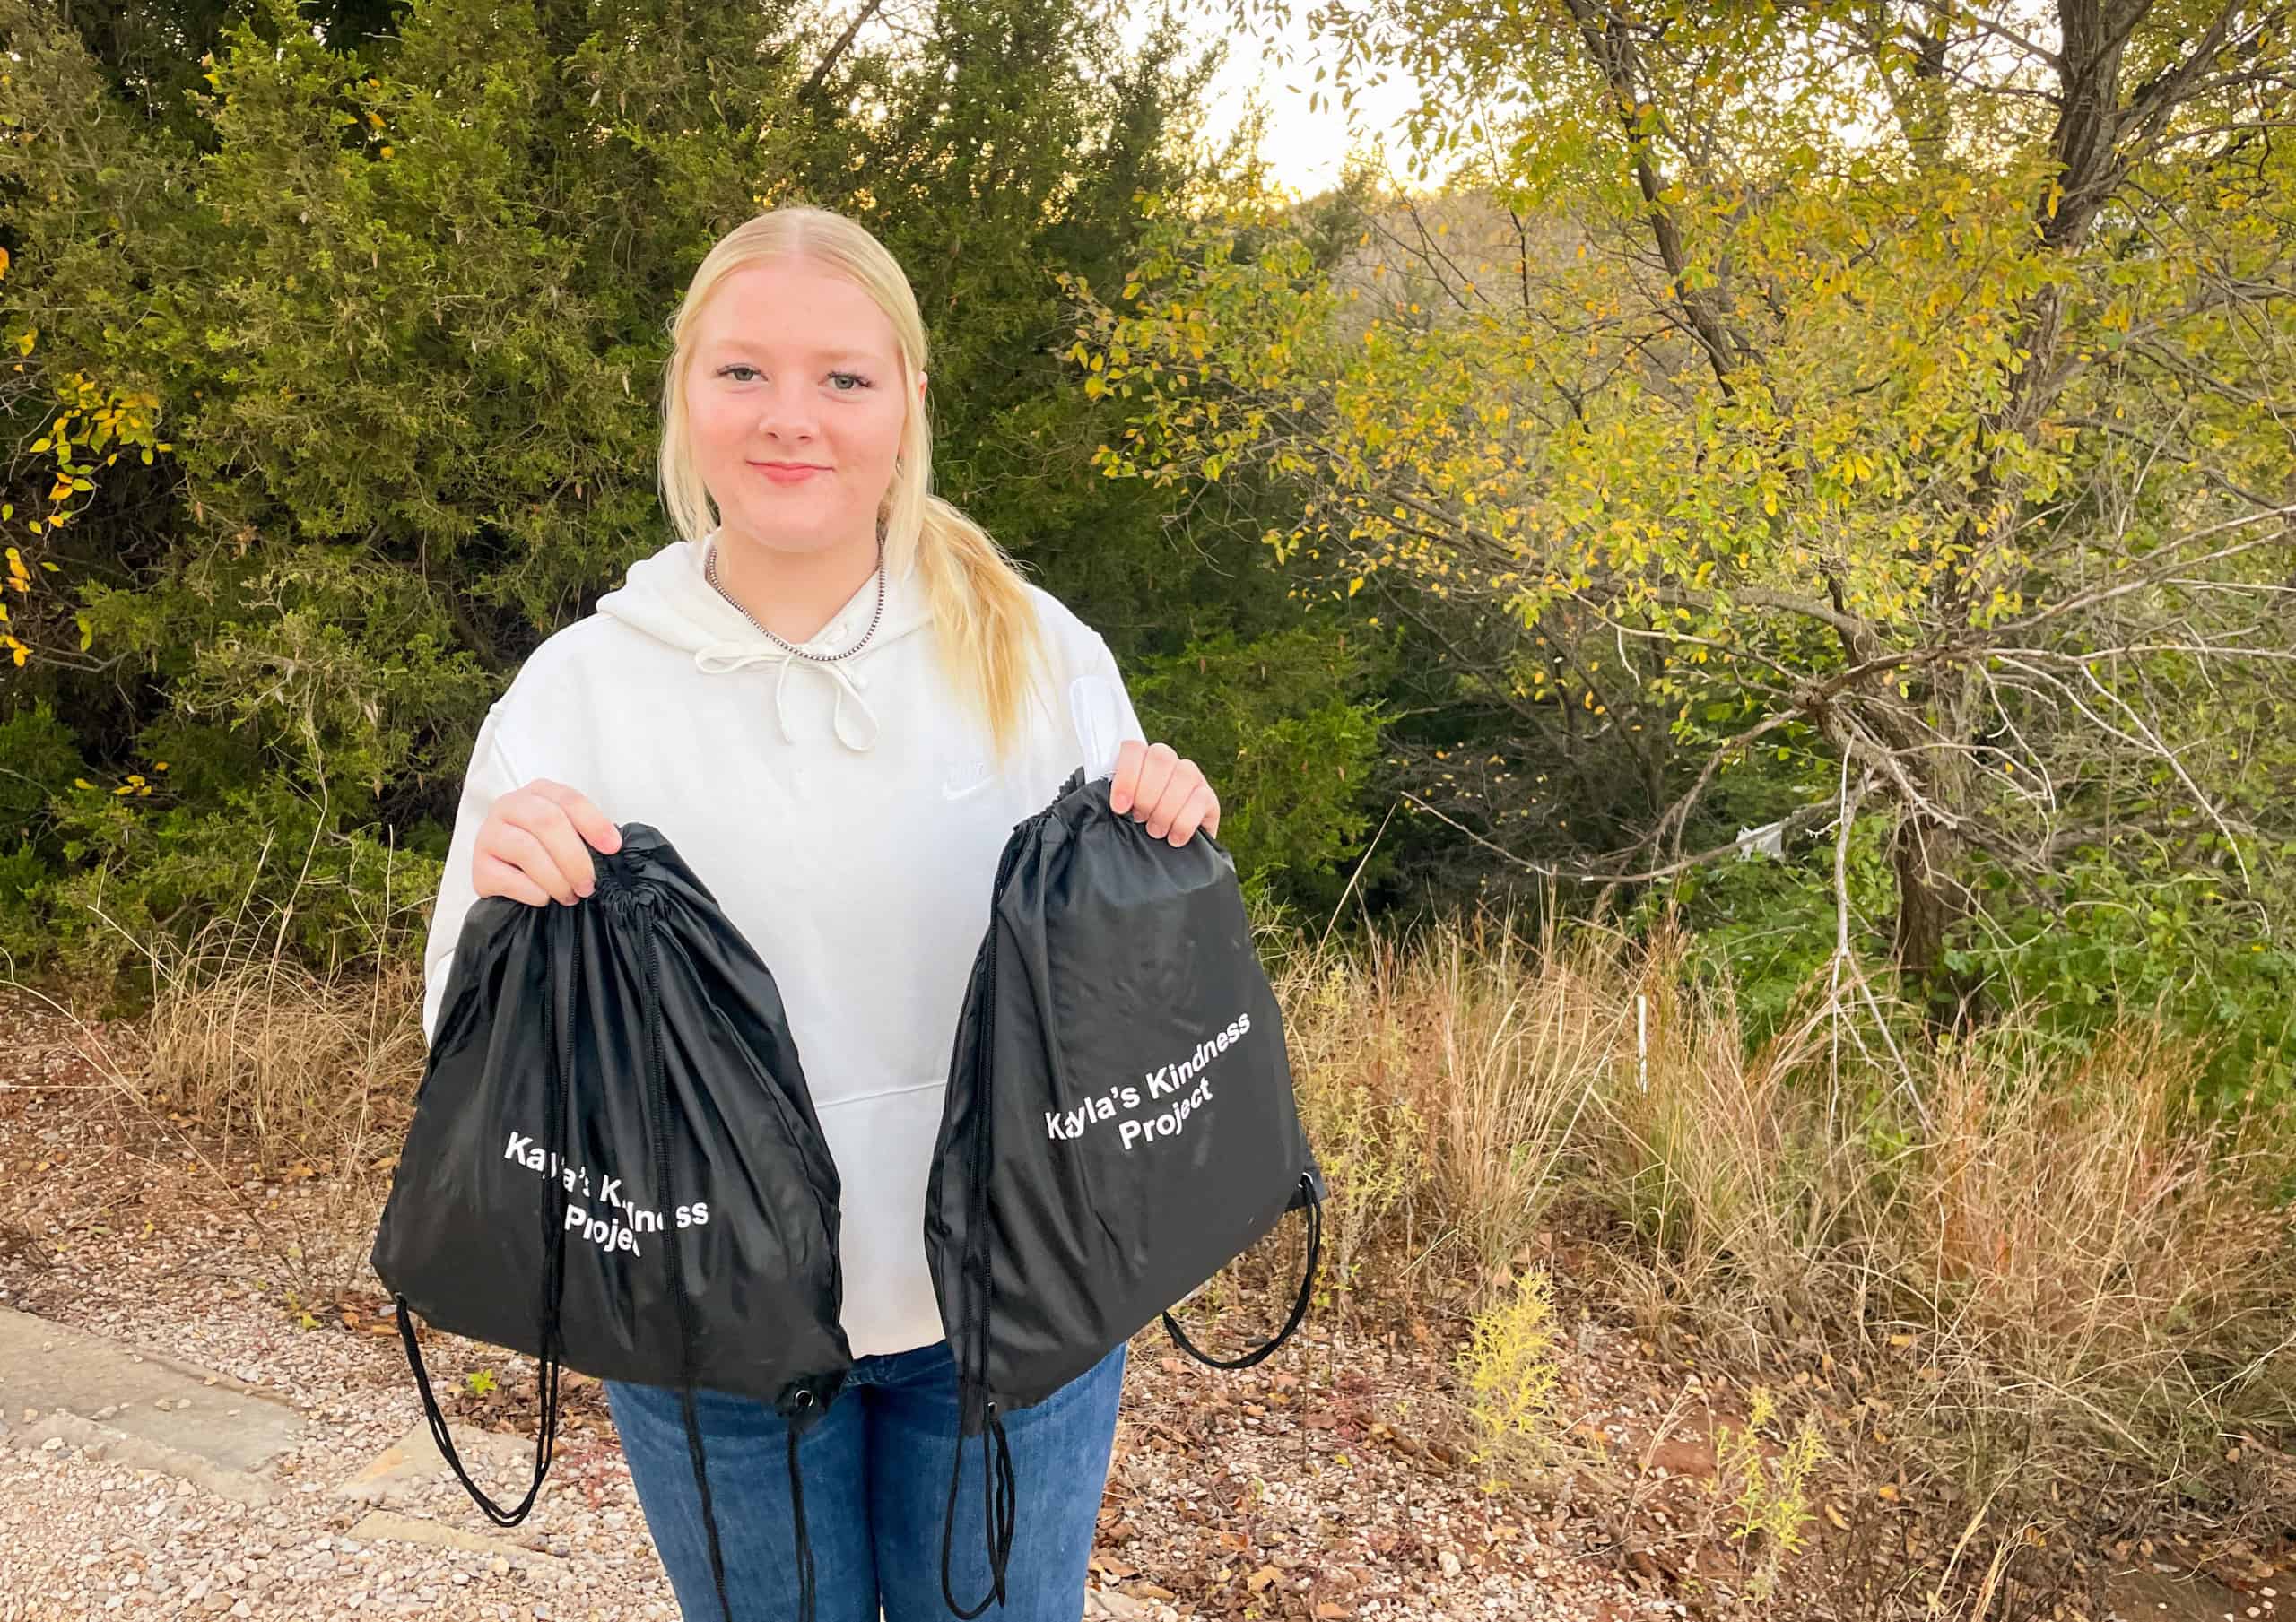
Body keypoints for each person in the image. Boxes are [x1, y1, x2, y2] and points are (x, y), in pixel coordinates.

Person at [417, 204, 1222, 1622]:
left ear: (909, 403)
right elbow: (463, 1040)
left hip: (1011, 1319)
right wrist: (509, 904)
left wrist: (1166, 843)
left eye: (844, 377)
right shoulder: (578, 692)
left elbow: (1124, 998)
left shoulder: (1041, 655)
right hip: (703, 1327)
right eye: (744, 373)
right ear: (685, 395)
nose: (792, 418)